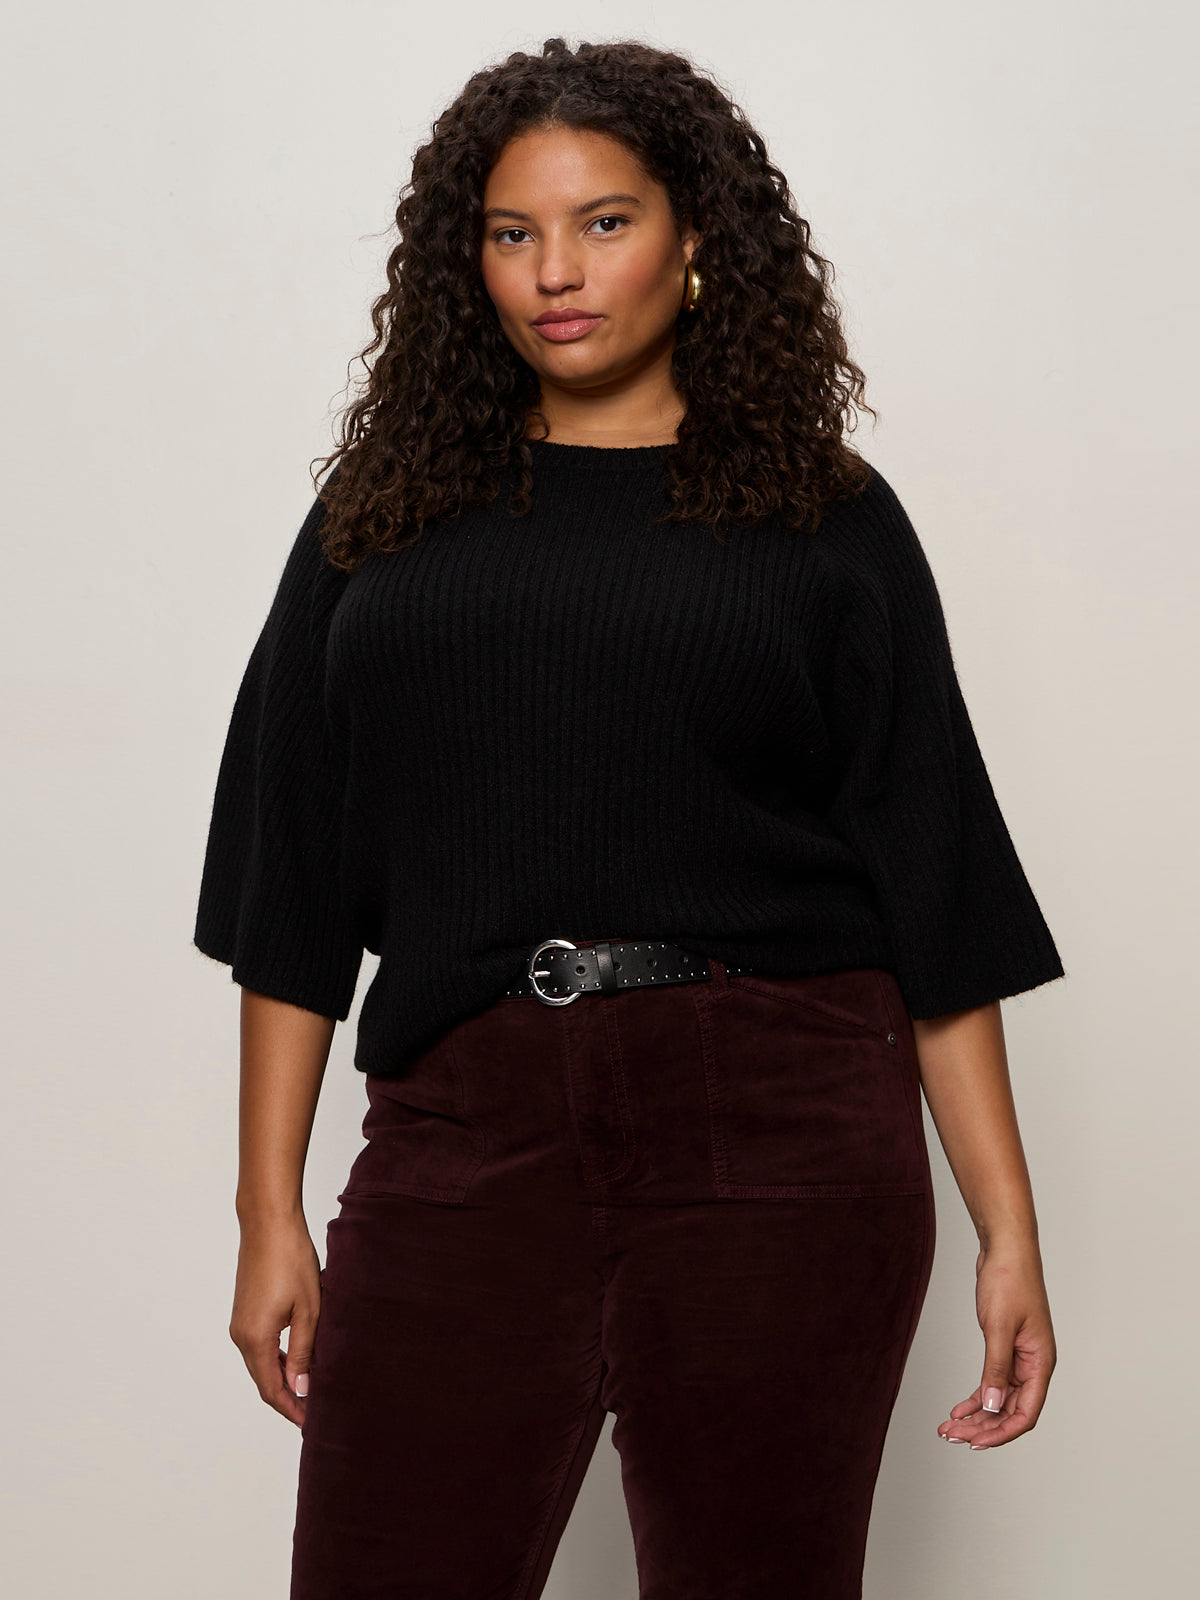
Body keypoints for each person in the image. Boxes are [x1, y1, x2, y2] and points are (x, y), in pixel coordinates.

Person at [193, 36, 1066, 1600]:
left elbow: (936, 889)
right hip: (466, 1130)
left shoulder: (824, 515)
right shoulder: (378, 524)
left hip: (782, 1132)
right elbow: (292, 884)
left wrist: (1010, 1230)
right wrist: (269, 1212)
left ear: (695, 238)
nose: (555, 273)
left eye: (604, 221)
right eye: (512, 233)